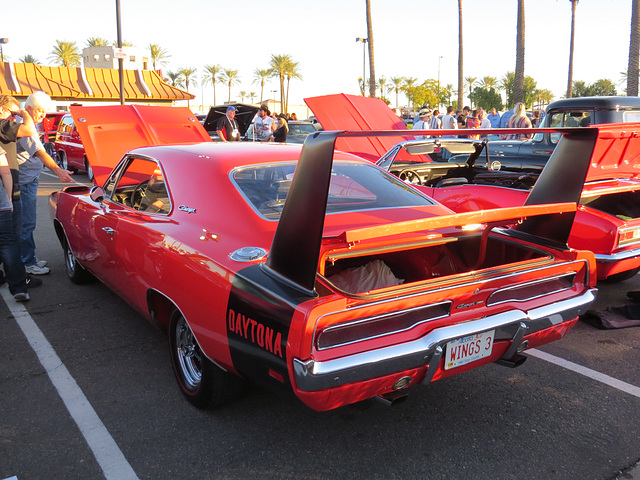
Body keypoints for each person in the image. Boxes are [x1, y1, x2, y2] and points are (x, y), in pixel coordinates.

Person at [17, 92, 74, 276]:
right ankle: (27, 262)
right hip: (23, 183)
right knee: (26, 224)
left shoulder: (27, 123)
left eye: (45, 112)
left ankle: (28, 258)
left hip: (27, 180)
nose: (43, 115)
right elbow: (40, 152)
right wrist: (58, 171)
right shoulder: (24, 127)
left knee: (25, 223)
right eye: (40, 111)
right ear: (29, 109)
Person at [0, 144, 29, 301]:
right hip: (1, 205)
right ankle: (19, 288)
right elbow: (5, 172)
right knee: (8, 246)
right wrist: (9, 198)